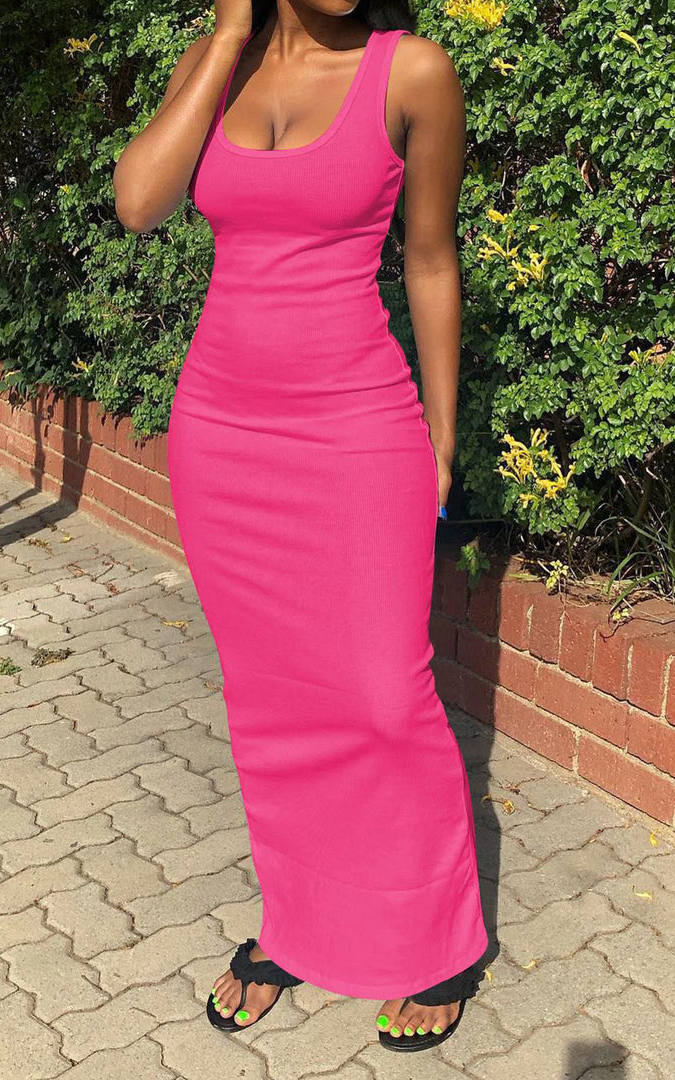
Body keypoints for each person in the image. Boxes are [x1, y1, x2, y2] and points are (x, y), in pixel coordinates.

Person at [114, 0, 488, 1054]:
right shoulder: (215, 63)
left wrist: (441, 438)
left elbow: (429, 259)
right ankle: (298, 927)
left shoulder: (411, 71)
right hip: (221, 432)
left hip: (357, 425)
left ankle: (436, 941)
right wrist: (227, 37)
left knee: (383, 696)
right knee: (271, 698)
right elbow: (138, 203)